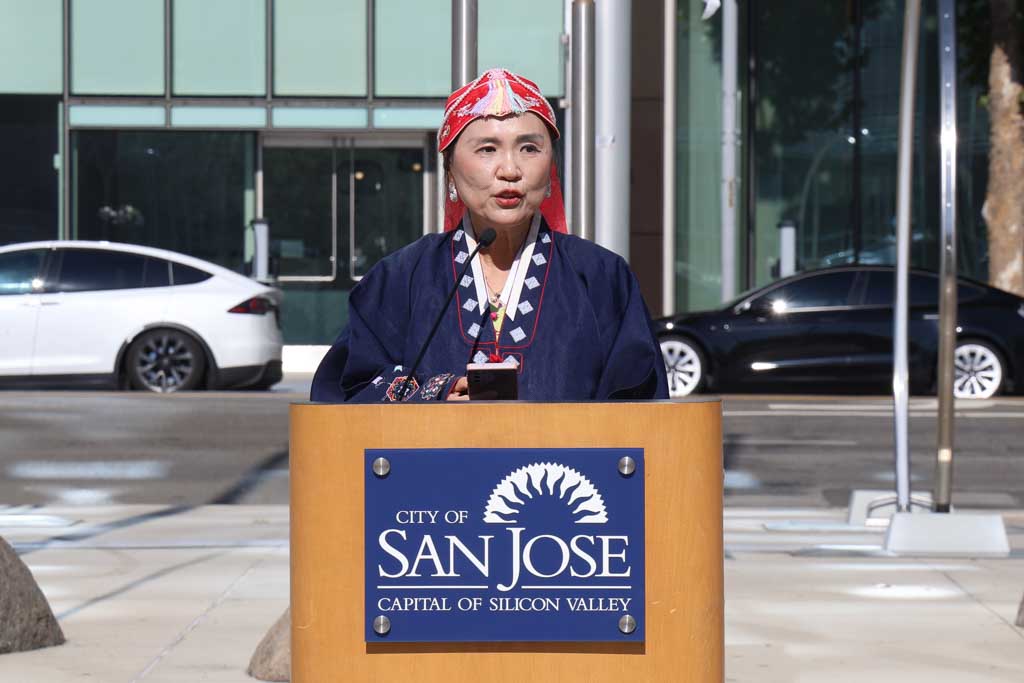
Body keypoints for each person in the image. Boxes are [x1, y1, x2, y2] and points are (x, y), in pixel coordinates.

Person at [311, 68, 667, 402]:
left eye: (529, 148)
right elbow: (349, 388)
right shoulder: (401, 278)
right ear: (450, 170)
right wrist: (437, 391)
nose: (510, 169)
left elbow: (642, 406)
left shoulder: (601, 278)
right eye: (487, 149)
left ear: (550, 169)